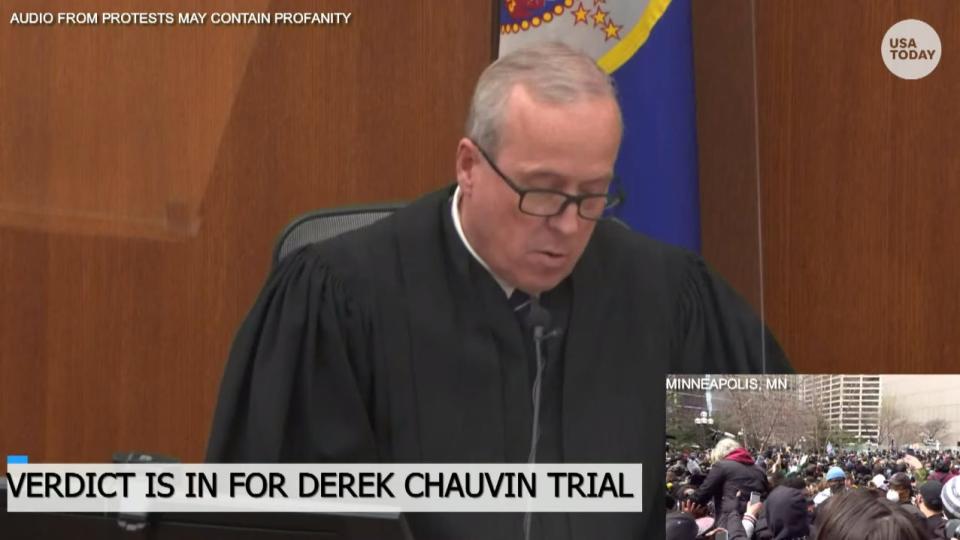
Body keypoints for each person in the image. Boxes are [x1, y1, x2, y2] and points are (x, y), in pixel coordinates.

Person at [206, 41, 790, 539]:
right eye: (540, 192)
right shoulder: (338, 300)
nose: (567, 224)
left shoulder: (671, 296)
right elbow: (283, 515)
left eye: (592, 195)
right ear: (468, 164)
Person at [694, 439, 770, 527]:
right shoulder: (759, 470)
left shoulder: (721, 466)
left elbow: (702, 495)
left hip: (728, 524)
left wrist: (685, 504)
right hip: (758, 523)